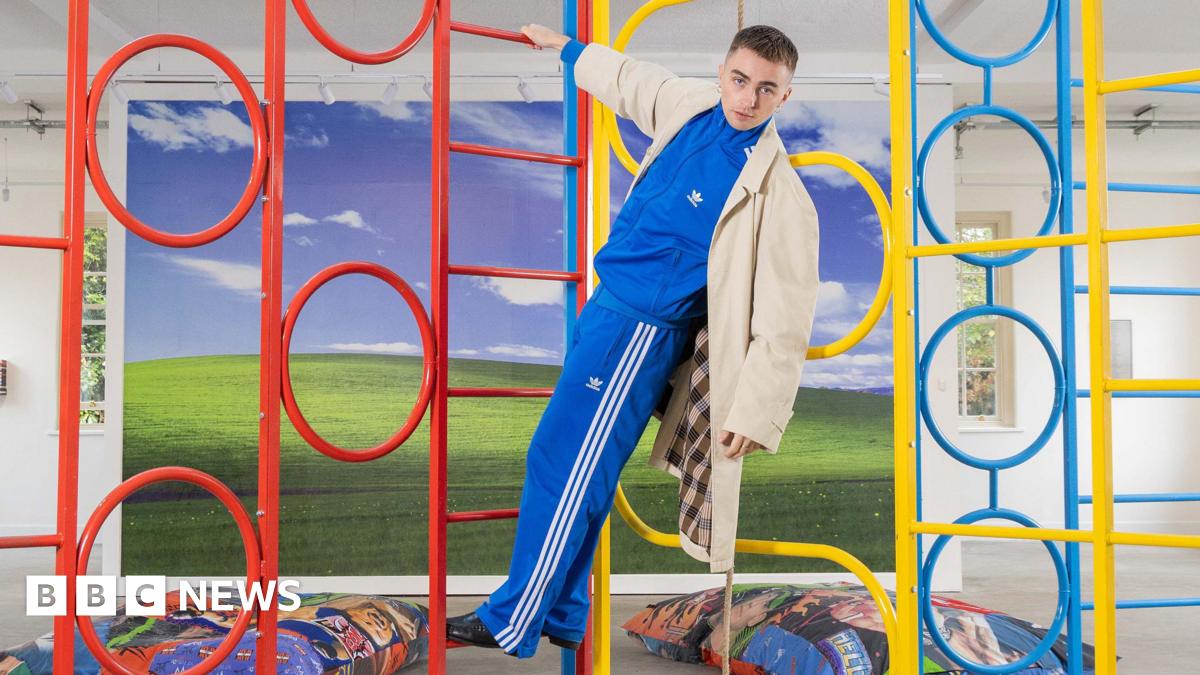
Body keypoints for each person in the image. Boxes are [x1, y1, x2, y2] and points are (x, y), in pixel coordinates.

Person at [447, 21, 820, 659]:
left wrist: (759, 409)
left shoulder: (781, 195)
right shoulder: (690, 106)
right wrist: (563, 48)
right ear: (721, 72)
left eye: (765, 89)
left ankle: (513, 618)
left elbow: (787, 315)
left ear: (784, 97)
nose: (746, 99)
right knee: (582, 467)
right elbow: (628, 80)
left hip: (644, 329)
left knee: (561, 459)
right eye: (739, 79)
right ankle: (562, 611)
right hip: (610, 305)